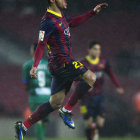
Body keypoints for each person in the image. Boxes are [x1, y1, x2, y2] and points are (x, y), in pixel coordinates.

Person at [15, 0, 108, 139]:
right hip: (62, 62)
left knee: (54, 103)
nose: (66, 1)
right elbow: (41, 44)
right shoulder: (47, 21)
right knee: (91, 77)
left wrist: (92, 13)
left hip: (60, 66)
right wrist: (35, 65)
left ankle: (23, 126)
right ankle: (66, 110)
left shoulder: (62, 16)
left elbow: (72, 22)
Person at [63, 41, 124, 140]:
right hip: (86, 98)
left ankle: (94, 131)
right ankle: (91, 137)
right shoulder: (83, 63)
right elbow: (75, 79)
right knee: (88, 124)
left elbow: (111, 74)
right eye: (95, 49)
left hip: (99, 96)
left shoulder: (103, 62)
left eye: (99, 49)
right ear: (89, 50)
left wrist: (118, 86)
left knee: (100, 123)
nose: (98, 51)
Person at [22, 43, 51, 140]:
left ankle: (40, 139)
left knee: (37, 119)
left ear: (33, 51)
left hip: (35, 95)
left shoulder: (27, 65)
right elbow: (53, 81)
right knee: (44, 120)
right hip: (47, 95)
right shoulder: (48, 64)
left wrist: (29, 89)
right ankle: (42, 138)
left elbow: (25, 84)